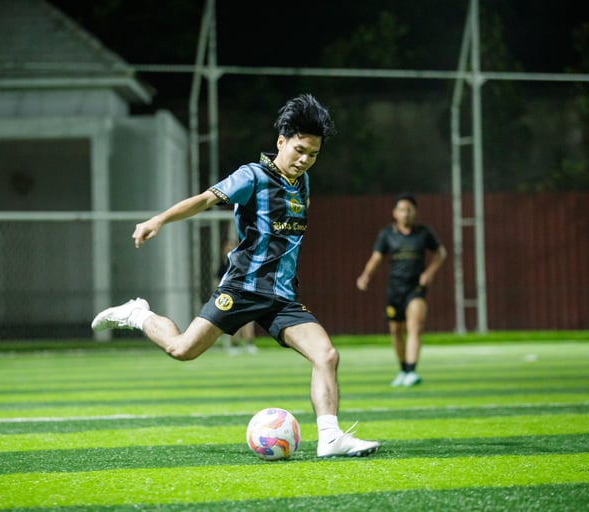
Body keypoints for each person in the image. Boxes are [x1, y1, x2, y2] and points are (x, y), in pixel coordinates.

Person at [92, 93, 380, 458]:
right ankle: (138, 313)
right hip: (243, 287)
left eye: (313, 155)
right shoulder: (252, 176)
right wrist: (158, 220)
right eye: (299, 150)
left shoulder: (302, 184)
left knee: (326, 354)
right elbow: (204, 200)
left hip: (282, 297)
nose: (305, 160)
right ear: (281, 141)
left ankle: (330, 437)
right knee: (182, 350)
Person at [356, 193, 447, 388]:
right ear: (395, 213)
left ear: (415, 212)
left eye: (409, 210)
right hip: (395, 289)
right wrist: (366, 276)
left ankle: (412, 371)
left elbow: (440, 252)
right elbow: (377, 258)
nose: (406, 214)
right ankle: (403, 370)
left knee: (415, 327)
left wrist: (429, 273)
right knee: (396, 331)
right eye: (402, 210)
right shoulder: (387, 234)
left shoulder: (424, 233)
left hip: (416, 288)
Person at [217, 239, 258, 355]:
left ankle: (249, 343)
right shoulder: (223, 266)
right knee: (232, 322)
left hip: (243, 295)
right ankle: (234, 345)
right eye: (227, 248)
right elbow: (218, 281)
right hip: (228, 297)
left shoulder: (243, 263)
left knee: (247, 322)